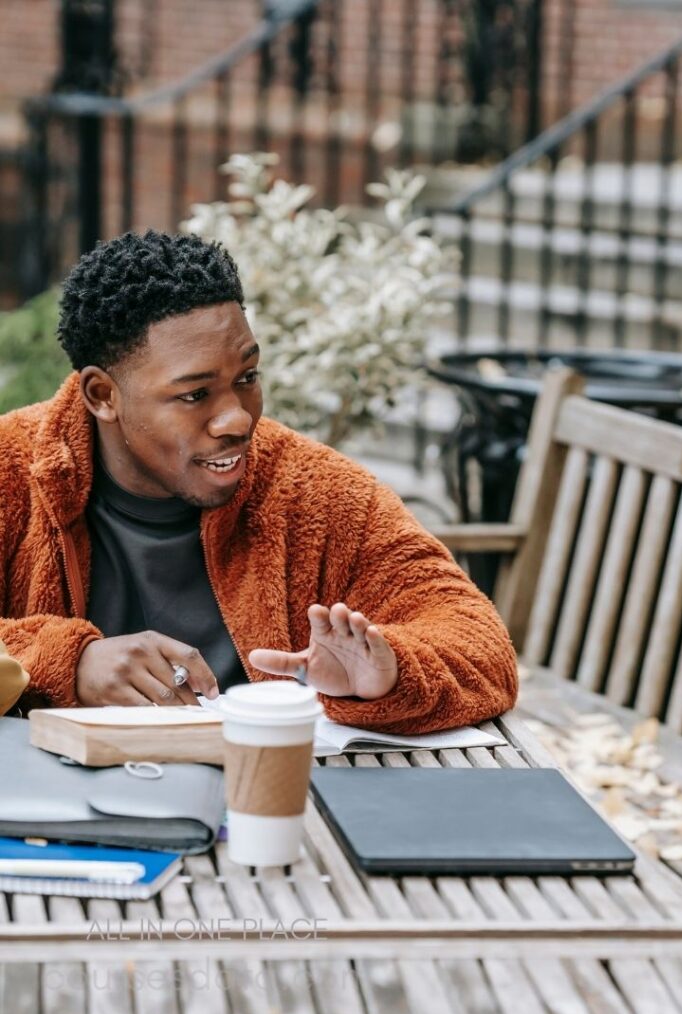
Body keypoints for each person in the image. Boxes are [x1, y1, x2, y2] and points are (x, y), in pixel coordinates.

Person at [0, 230, 517, 732]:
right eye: (194, 394)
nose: (237, 420)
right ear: (102, 395)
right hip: (50, 810)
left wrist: (390, 673)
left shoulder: (316, 490)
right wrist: (70, 661)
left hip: (267, 797)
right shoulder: (11, 466)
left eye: (246, 379)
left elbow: (481, 647)